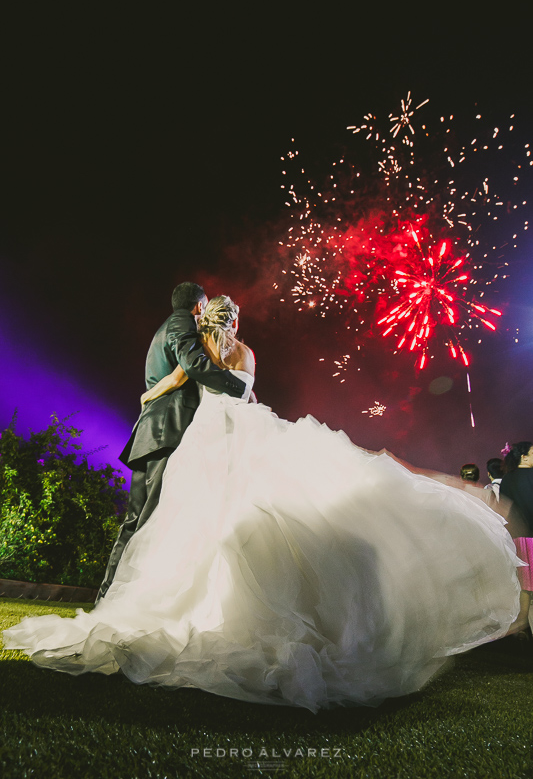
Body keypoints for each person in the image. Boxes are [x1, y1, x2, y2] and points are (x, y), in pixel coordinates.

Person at [4, 297, 524, 712]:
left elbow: (220, 388)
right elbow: (207, 385)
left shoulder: (217, 350)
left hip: (221, 434)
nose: (226, 324)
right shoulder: (225, 351)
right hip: (211, 437)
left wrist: (162, 392)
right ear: (220, 319)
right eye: (223, 318)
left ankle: (223, 605)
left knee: (227, 511)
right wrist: (157, 394)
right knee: (206, 515)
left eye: (226, 319)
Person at [95, 283, 246, 600]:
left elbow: (174, 376)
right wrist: (240, 385)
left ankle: (107, 596)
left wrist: (147, 395)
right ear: (198, 307)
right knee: (151, 521)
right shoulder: (182, 324)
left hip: (151, 431)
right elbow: (191, 367)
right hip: (168, 429)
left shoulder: (163, 330)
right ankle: (122, 600)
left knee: (136, 521)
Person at [499, 441, 533, 634]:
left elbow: (505, 510)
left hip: (518, 538)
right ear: (524, 457)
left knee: (525, 584)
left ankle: (521, 620)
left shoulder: (507, 480)